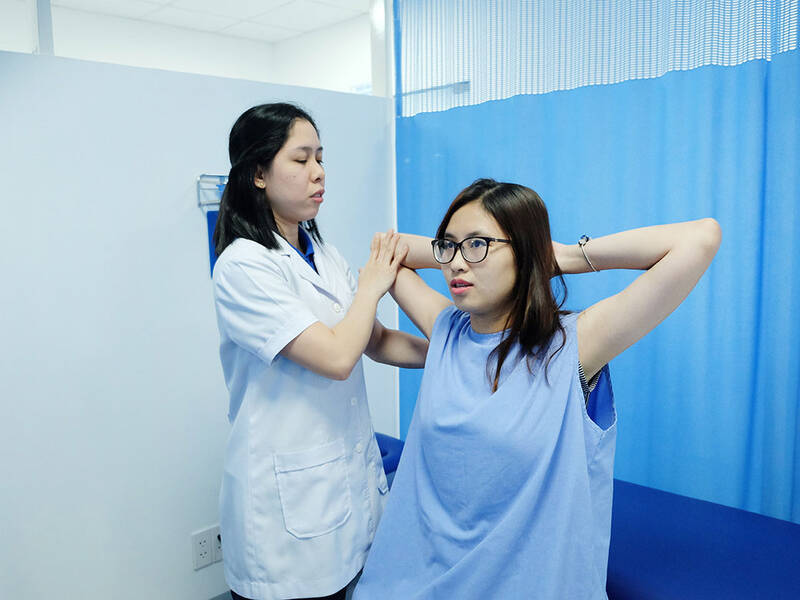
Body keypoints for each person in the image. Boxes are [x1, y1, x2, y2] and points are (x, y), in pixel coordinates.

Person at [354, 178, 722, 599]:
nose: (455, 263)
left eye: (477, 245)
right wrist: (475, 246)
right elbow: (391, 248)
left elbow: (701, 238)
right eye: (449, 246)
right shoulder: (447, 329)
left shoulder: (574, 344)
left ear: (526, 251)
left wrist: (564, 256)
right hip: (416, 582)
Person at [211, 103, 428, 600]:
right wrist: (373, 283)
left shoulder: (323, 254)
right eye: (301, 159)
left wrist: (454, 352)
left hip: (342, 490)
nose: (318, 172)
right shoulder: (243, 267)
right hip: (285, 518)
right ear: (258, 174)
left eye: (321, 158)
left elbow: (374, 340)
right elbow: (336, 358)